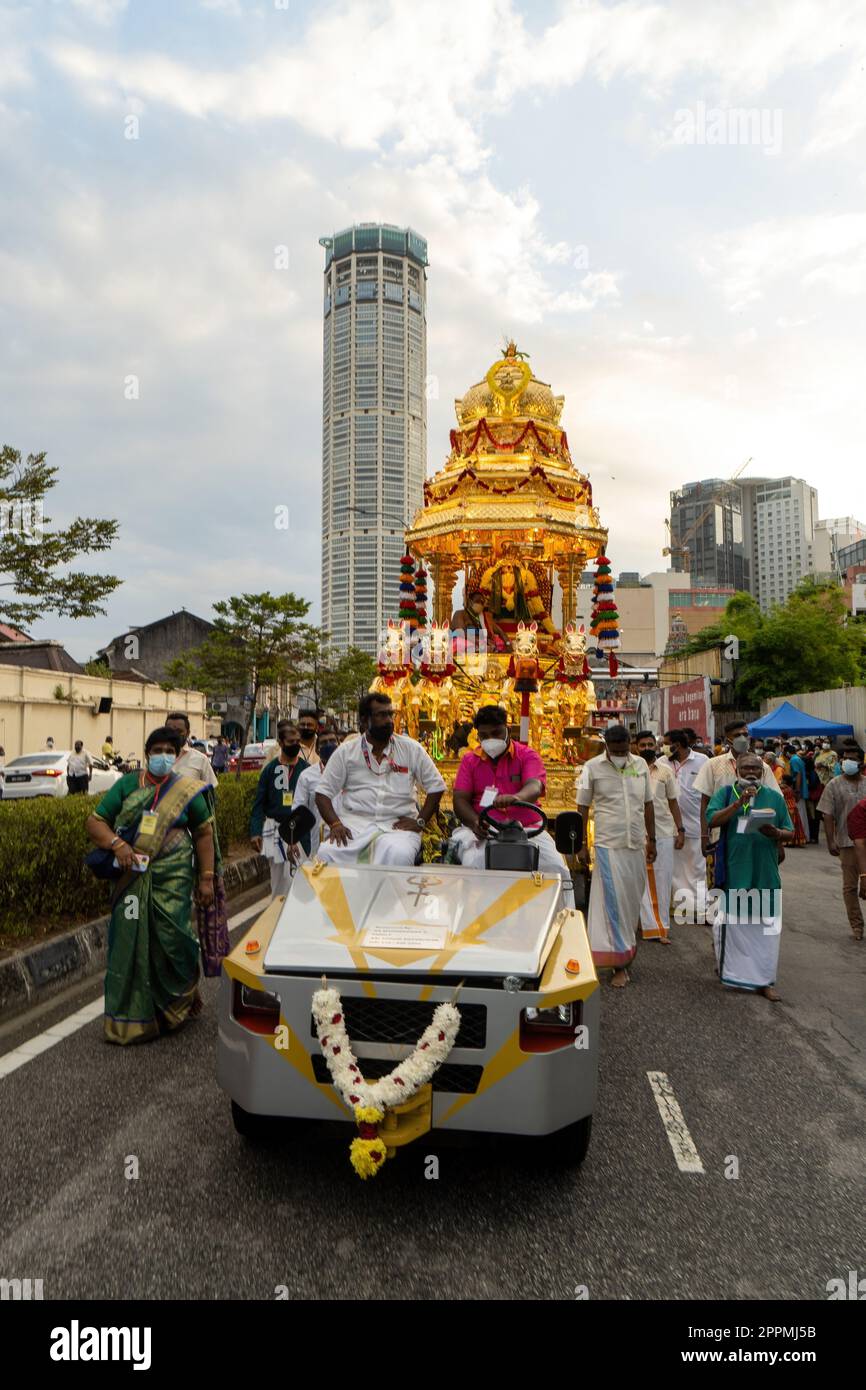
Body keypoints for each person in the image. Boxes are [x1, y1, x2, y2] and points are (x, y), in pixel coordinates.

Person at [86, 726, 215, 1044]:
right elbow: (95, 821)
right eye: (156, 751)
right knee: (129, 940)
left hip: (174, 876)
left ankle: (176, 1004)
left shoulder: (186, 788)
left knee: (176, 939)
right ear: (147, 755)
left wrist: (207, 878)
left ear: (177, 755)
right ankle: (131, 1016)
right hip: (132, 877)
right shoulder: (129, 784)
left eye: (168, 751)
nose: (162, 756)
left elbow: (203, 833)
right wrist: (117, 844)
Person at [451, 705, 573, 903]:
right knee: (473, 865)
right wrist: (475, 823)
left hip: (528, 830)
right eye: (484, 735)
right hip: (485, 830)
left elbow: (534, 786)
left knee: (556, 868)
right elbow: (460, 800)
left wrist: (517, 797)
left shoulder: (527, 755)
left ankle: (561, 921)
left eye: (496, 733)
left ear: (507, 729)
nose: (490, 739)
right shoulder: (469, 760)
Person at [315, 692, 445, 867]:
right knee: (326, 853)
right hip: (354, 826)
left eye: (390, 714)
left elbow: (436, 786)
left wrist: (420, 821)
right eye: (381, 715)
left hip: (397, 829)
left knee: (399, 855)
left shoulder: (410, 748)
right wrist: (335, 824)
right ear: (364, 720)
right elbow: (322, 793)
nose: (389, 720)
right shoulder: (346, 752)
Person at [706, 750, 793, 1001]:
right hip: (736, 871)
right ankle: (735, 975)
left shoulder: (774, 798)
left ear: (763, 772)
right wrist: (738, 804)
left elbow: (789, 830)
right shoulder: (724, 794)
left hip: (765, 873)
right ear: (737, 771)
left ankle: (765, 981)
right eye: (746, 769)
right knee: (735, 927)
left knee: (767, 930)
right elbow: (711, 820)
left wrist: (775, 832)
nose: (751, 773)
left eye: (756, 769)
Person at [576, 723, 656, 988]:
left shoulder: (641, 766)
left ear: (630, 744)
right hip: (607, 844)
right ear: (607, 746)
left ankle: (626, 954)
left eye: (625, 749)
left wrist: (652, 839)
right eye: (616, 750)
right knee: (612, 903)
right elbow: (582, 807)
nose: (621, 754)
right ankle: (617, 965)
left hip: (636, 844)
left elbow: (647, 804)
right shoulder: (591, 768)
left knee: (631, 903)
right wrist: (580, 845)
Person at [694, 720, 778, 859]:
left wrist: (778, 841)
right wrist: (704, 835)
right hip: (722, 835)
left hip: (757, 835)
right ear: (728, 739)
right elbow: (704, 803)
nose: (743, 738)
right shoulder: (713, 765)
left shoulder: (763, 767)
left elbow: (774, 801)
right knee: (722, 877)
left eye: (745, 734)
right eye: (737, 735)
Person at [250, 720, 311, 897]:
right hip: (274, 829)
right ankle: (277, 916)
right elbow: (259, 803)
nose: (295, 745)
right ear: (281, 743)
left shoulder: (306, 770)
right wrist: (255, 831)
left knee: (302, 877)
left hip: (300, 830)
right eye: (291, 742)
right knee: (278, 881)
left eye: (297, 741)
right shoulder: (269, 770)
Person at [635, 730, 684, 943]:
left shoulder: (665, 771)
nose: (646, 748)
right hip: (636, 832)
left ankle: (660, 927)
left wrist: (680, 830)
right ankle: (643, 923)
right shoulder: (630, 770)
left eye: (649, 744)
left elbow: (673, 801)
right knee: (637, 880)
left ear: (655, 746)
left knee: (662, 881)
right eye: (642, 745)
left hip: (663, 831)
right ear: (636, 747)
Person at [818, 745, 866, 941]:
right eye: (844, 758)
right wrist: (831, 840)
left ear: (861, 763)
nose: (847, 762)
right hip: (847, 842)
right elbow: (827, 814)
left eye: (852, 758)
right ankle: (857, 926)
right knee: (850, 887)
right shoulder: (834, 785)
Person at [661, 729, 709, 924]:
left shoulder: (702, 761)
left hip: (696, 824)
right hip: (669, 825)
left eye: (666, 743)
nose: (663, 747)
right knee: (674, 869)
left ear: (677, 745)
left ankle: (698, 909)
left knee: (696, 868)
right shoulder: (661, 762)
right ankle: (678, 907)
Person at [293, 727, 341, 857]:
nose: (329, 745)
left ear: (339, 745)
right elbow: (298, 810)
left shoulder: (351, 772)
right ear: (317, 750)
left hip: (348, 842)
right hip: (319, 845)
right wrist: (293, 841)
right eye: (324, 743)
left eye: (332, 741)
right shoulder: (307, 776)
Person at [166, 712, 218, 791]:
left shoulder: (201, 759)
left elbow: (210, 791)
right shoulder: (156, 758)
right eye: (170, 731)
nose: (174, 734)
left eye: (179, 731)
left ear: (188, 733)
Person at [784, 743, 810, 842]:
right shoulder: (798, 759)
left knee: (799, 814)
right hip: (803, 788)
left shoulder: (793, 760)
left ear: (787, 752)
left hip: (799, 789)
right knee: (802, 813)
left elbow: (798, 774)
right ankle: (804, 836)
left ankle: (802, 836)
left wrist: (797, 790)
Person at [779, 774, 807, 846]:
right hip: (793, 807)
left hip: (787, 807)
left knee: (788, 825)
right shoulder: (790, 789)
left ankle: (788, 841)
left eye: (781, 779)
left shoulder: (782, 788)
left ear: (784, 781)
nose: (780, 780)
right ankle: (795, 841)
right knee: (795, 825)